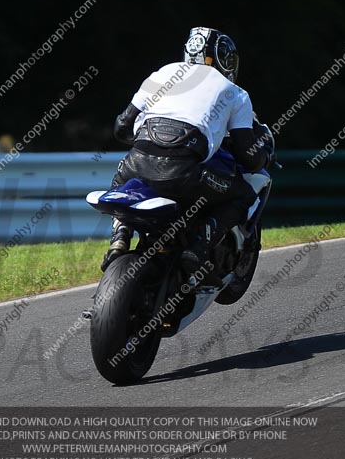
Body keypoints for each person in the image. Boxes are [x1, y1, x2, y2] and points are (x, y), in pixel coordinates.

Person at [102, 27, 276, 284]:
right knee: (243, 195)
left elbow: (120, 128)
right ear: (224, 60)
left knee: (120, 180)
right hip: (185, 173)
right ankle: (198, 247)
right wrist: (263, 158)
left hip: (134, 165)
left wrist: (150, 141)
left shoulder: (162, 73)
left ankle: (120, 235)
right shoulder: (234, 92)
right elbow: (246, 154)